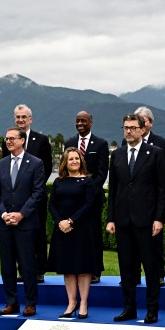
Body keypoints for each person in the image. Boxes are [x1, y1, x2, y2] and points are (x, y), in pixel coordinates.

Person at [106, 114, 165, 324]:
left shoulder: (156, 153)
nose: (129, 132)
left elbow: (163, 189)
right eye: (126, 128)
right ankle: (129, 308)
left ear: (142, 130)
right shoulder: (117, 155)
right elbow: (113, 189)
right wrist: (111, 218)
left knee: (150, 267)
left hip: (147, 220)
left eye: (133, 128)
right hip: (123, 221)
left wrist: (159, 218)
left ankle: (152, 310)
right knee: (126, 267)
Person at [0, 127, 45, 317]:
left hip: (26, 224)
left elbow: (38, 193)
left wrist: (21, 214)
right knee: (7, 265)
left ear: (22, 140)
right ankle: (11, 303)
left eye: (12, 138)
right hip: (5, 224)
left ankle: (30, 303)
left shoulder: (36, 163)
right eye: (7, 139)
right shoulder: (0, 165)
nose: (9, 141)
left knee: (28, 265)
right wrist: (4, 214)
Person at [2, 104, 52, 283]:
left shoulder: (42, 140)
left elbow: (46, 168)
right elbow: (5, 169)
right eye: (18, 117)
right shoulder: (7, 140)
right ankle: (22, 270)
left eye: (24, 117)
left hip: (36, 198)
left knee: (38, 234)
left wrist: (32, 192)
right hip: (15, 200)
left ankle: (39, 270)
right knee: (16, 234)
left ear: (30, 119)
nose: (21, 120)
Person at [122, 106, 165, 287]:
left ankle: (158, 274)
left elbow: (163, 181)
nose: (138, 126)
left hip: (150, 208)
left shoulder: (160, 143)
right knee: (130, 249)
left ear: (148, 124)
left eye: (142, 122)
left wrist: (159, 213)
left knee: (154, 245)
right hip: (129, 210)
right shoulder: (125, 142)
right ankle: (132, 276)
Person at [49, 147, 97, 319]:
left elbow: (89, 205)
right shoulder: (58, 182)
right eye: (71, 159)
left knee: (83, 269)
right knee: (68, 269)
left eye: (77, 158)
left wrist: (71, 221)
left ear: (81, 161)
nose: (74, 161)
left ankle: (83, 303)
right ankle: (71, 303)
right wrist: (60, 222)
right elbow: (52, 205)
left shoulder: (88, 181)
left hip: (82, 230)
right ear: (65, 162)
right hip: (62, 230)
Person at [65, 111, 109, 284]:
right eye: (77, 121)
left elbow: (102, 173)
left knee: (94, 235)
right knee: (76, 236)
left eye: (83, 120)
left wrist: (87, 188)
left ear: (91, 122)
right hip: (73, 200)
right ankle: (76, 268)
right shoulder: (69, 143)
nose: (80, 123)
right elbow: (65, 170)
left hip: (93, 199)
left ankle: (95, 270)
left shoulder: (101, 144)